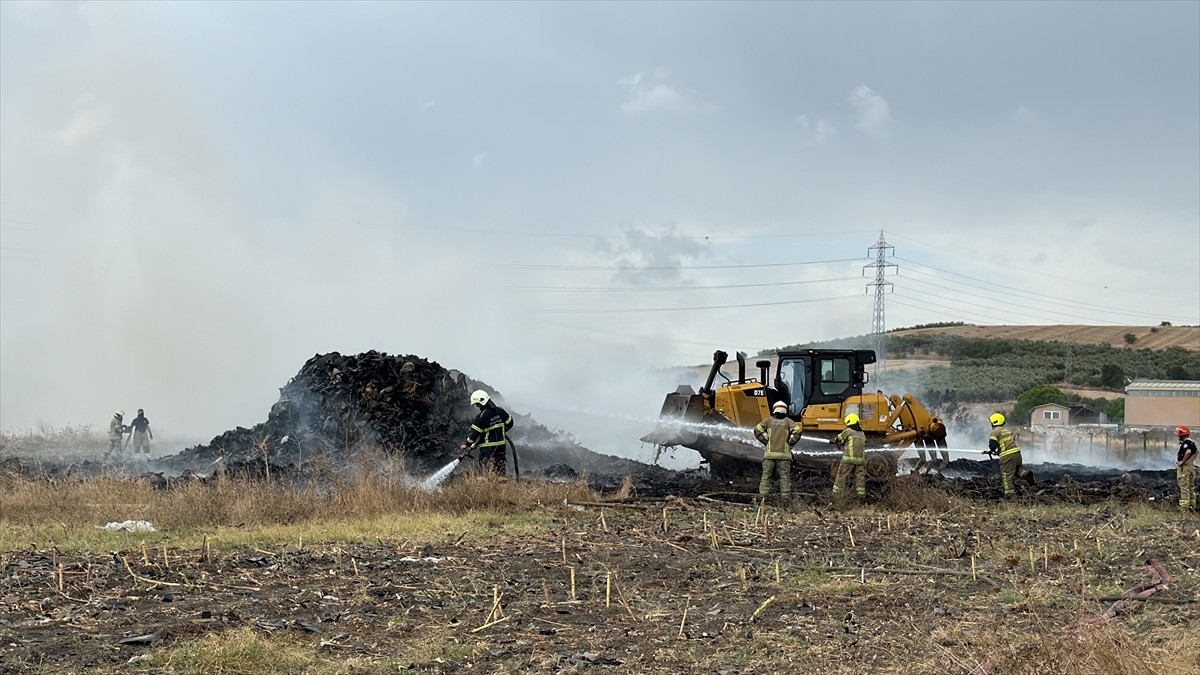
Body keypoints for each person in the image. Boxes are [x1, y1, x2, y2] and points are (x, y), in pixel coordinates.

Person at [754, 401, 802, 501]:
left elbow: (757, 430)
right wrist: (790, 442)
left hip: (769, 455)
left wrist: (765, 441)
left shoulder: (768, 421)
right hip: (784, 456)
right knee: (785, 477)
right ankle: (785, 499)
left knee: (766, 477)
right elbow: (797, 430)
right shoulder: (789, 421)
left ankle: (763, 498)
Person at [460, 390, 514, 475]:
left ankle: (485, 485)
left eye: (477, 404)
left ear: (481, 403)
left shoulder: (481, 417)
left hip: (487, 448)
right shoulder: (500, 411)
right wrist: (502, 432)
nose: (477, 406)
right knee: (500, 470)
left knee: (485, 470)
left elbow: (474, 434)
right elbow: (510, 422)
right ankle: (501, 486)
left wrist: (466, 444)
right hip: (500, 446)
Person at [986, 412, 1033, 497]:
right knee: (1016, 470)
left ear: (994, 422)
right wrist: (997, 452)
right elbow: (1007, 445)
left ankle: (1010, 495)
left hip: (1008, 456)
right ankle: (1026, 474)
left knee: (1006, 476)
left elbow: (992, 445)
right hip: (1017, 454)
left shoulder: (995, 432)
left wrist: (992, 450)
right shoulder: (1007, 431)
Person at [832, 413, 867, 500]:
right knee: (860, 478)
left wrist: (835, 440)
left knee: (841, 476)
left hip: (848, 459)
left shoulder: (849, 431)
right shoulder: (862, 434)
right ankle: (860, 497)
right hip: (860, 460)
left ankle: (836, 496)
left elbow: (839, 438)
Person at [1176, 425, 1197, 512]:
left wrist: (1182, 462)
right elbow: (1196, 452)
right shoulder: (1192, 442)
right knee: (1191, 487)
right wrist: (1191, 461)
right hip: (1191, 467)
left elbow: (1188, 452)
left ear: (1181, 434)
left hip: (1185, 468)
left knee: (1184, 487)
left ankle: (1184, 508)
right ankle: (1192, 506)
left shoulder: (1186, 443)